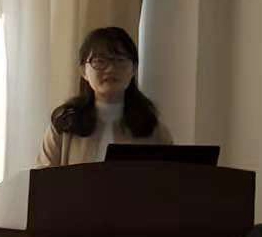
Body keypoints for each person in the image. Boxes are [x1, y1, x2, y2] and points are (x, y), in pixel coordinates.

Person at [37, 27, 172, 167]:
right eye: (100, 61)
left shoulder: (153, 129)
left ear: (134, 69)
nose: (111, 69)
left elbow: (169, 177)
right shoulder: (65, 125)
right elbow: (42, 177)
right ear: (83, 71)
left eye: (120, 60)